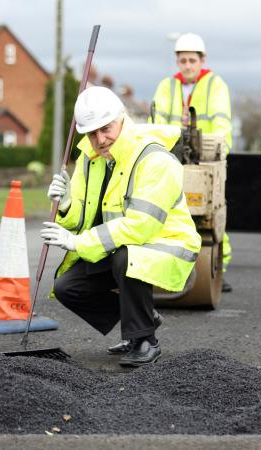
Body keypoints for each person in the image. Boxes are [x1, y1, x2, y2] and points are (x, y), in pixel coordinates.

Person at [40, 86, 201, 367]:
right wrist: (65, 204)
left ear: (122, 118)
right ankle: (141, 318)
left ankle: (145, 340)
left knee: (126, 257)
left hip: (167, 245)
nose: (100, 140)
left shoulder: (155, 159)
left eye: (106, 128)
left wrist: (78, 243)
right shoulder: (91, 159)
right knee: (68, 287)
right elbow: (83, 218)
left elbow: (142, 226)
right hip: (120, 247)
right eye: (91, 133)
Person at [150, 32, 233, 292]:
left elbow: (222, 123)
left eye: (191, 60)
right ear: (177, 61)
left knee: (210, 210)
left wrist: (216, 152)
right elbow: (157, 123)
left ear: (202, 60)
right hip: (172, 157)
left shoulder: (215, 85)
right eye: (182, 60)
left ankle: (218, 264)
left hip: (206, 159)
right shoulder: (167, 86)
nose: (187, 66)